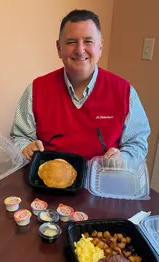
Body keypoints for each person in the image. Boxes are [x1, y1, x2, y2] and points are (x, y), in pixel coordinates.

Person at [10, 9, 150, 161]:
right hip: (47, 181)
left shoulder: (125, 92)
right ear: (59, 48)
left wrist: (123, 159)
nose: (80, 50)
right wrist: (25, 148)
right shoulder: (35, 90)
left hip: (103, 180)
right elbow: (19, 137)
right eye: (71, 42)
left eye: (88, 41)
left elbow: (137, 144)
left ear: (100, 46)